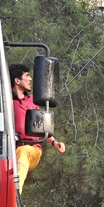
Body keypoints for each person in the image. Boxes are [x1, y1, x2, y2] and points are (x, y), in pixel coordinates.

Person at [10, 63, 65, 191]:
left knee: (22, 152)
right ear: (17, 81)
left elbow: (41, 127)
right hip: (8, 151)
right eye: (27, 76)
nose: (30, 79)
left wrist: (54, 142)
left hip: (32, 149)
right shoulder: (5, 101)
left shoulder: (34, 101)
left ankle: (14, 200)